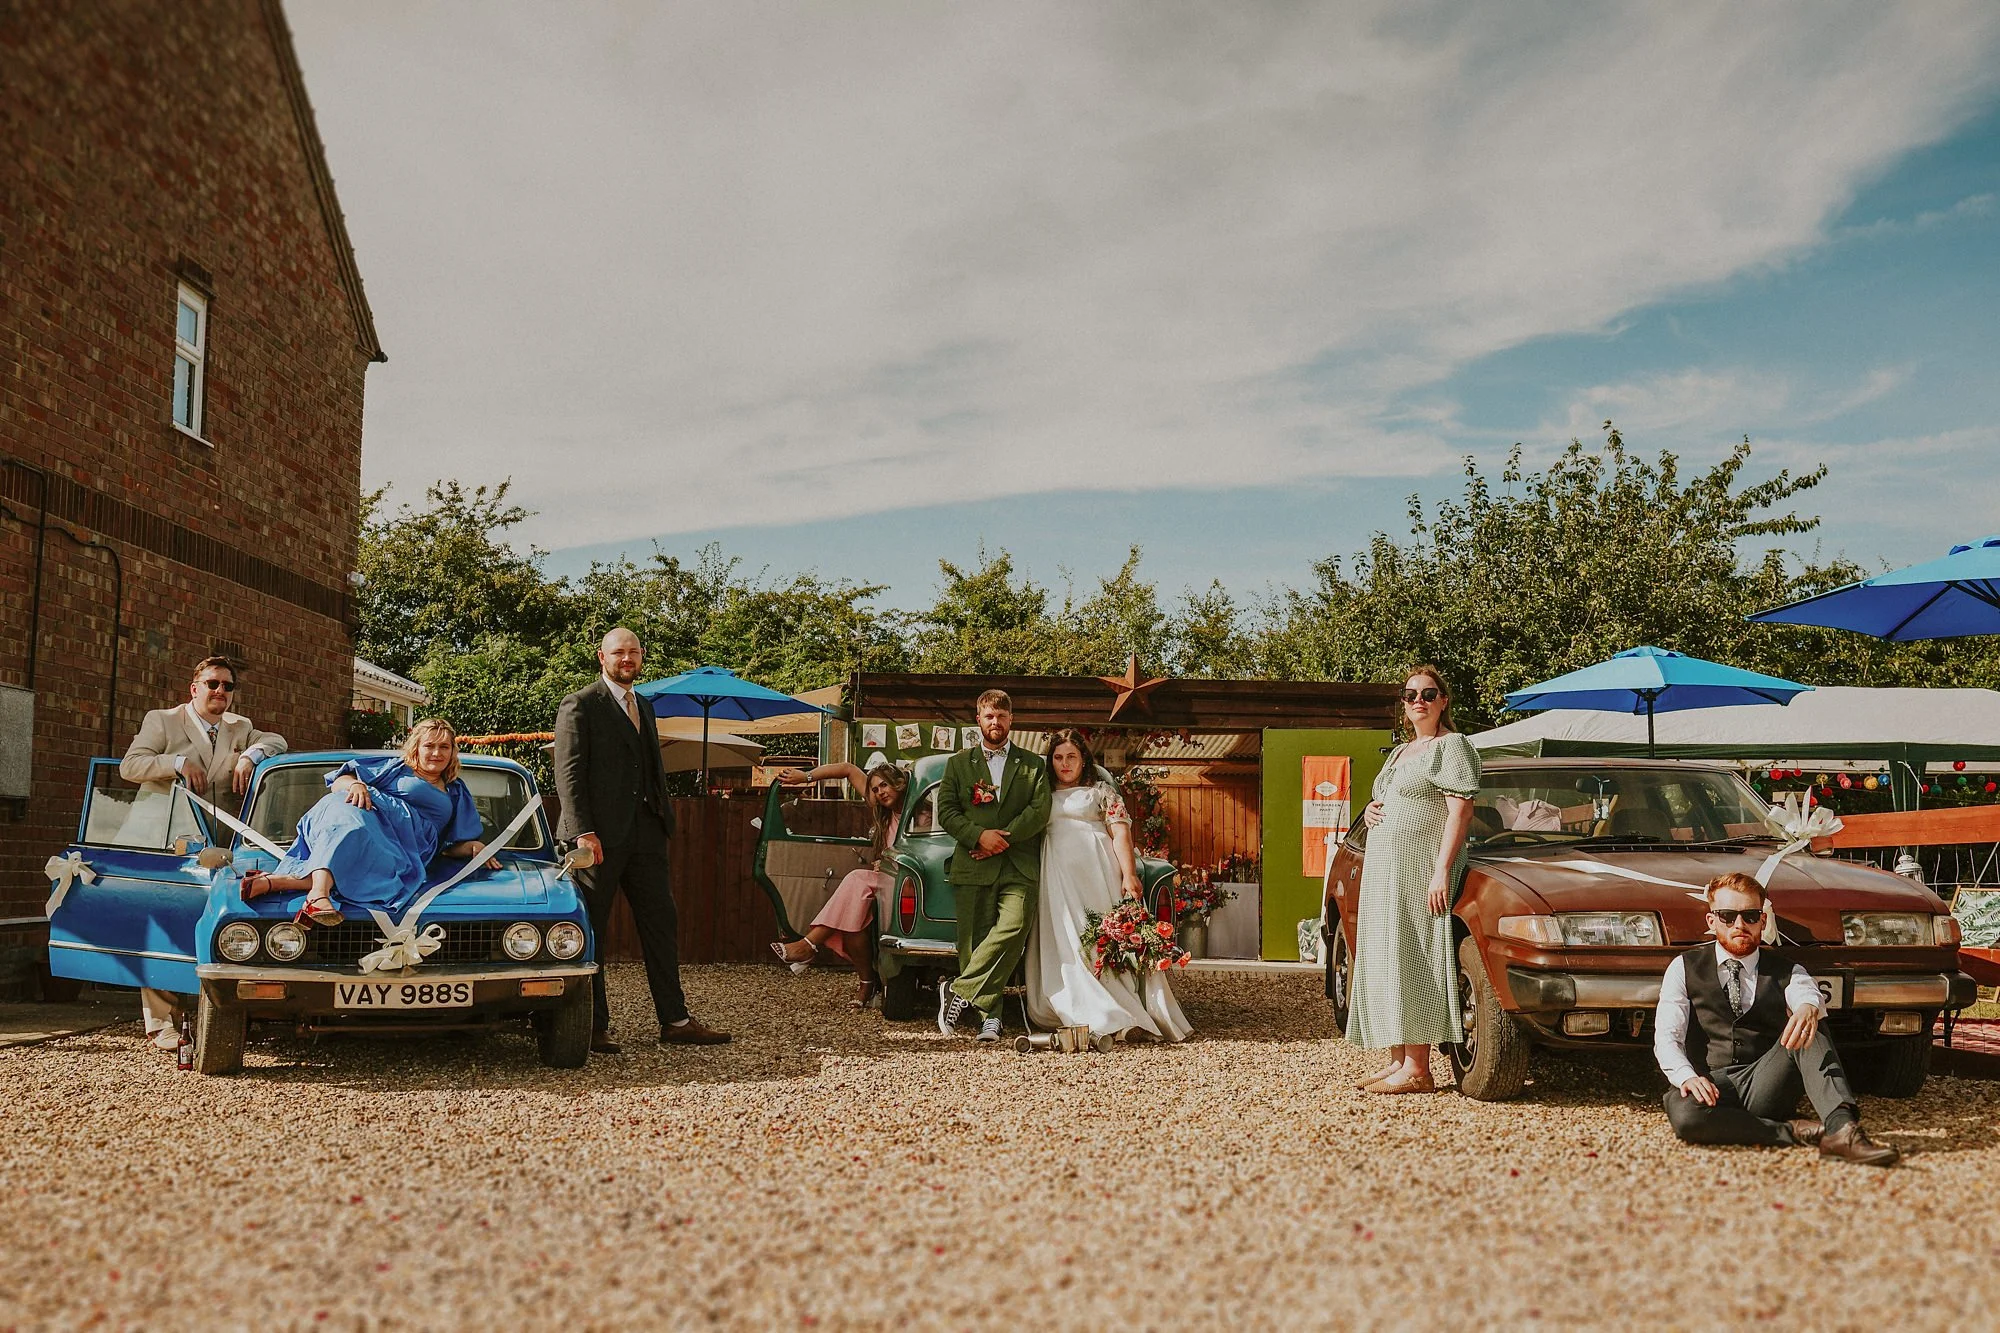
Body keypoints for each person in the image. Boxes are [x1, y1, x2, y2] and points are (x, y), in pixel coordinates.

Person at [553, 627, 730, 1053]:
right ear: (602, 657)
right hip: (595, 839)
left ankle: (675, 1020)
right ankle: (594, 1027)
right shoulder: (580, 704)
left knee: (661, 926)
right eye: (618, 652)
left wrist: (662, 819)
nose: (626, 658)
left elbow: (648, 768)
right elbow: (569, 772)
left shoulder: (644, 704)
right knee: (592, 932)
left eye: (633, 652)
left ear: (642, 656)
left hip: (646, 835)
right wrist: (583, 831)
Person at [1655, 872, 1899, 1166]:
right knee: (1685, 1116)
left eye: (1750, 916)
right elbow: (1667, 1036)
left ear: (1763, 920)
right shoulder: (1683, 967)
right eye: (1728, 916)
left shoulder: (1788, 969)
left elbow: (1807, 993)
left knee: (1809, 1022)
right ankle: (1794, 1131)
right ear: (1712, 921)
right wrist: (1687, 1077)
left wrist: (1809, 1007)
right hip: (1711, 1084)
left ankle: (1842, 1130)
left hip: (1767, 1083)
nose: (1739, 925)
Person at [119, 655, 287, 1052]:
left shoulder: (239, 727)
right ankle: (161, 1023)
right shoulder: (162, 720)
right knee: (165, 924)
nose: (220, 692)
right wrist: (175, 761)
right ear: (194, 688)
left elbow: (278, 741)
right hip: (166, 840)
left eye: (228, 687)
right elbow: (131, 765)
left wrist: (252, 755)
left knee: (210, 924)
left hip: (219, 848)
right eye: (212, 684)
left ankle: (212, 1015)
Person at [1347, 665, 1481, 1094]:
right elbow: (1387, 798)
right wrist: (1370, 812)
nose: (1417, 701)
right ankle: (1398, 1057)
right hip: (1386, 871)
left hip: (1420, 868)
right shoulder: (1403, 751)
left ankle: (1419, 1067)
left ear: (1443, 700)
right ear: (1403, 705)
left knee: (1415, 955)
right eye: (1409, 695)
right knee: (1388, 955)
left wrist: (1441, 870)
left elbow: (1460, 811)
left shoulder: (1452, 746)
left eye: (1427, 693)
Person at [241, 718, 495, 922]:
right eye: (429, 746)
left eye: (444, 747)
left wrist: (474, 847)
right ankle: (318, 895)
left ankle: (276, 882)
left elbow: (449, 845)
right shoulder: (394, 768)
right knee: (350, 822)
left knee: (354, 837)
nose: (436, 753)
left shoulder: (454, 789)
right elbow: (338, 781)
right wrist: (355, 785)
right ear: (416, 747)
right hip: (361, 816)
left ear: (452, 752)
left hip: (404, 847)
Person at [1026, 728, 1190, 1041]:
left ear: (1083, 759)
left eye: (1071, 756)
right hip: (1058, 877)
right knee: (1067, 938)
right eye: (1058, 757)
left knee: (1100, 936)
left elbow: (1121, 834)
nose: (1064, 763)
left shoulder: (1101, 791)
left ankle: (1121, 1005)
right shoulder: (1042, 792)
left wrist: (1129, 874)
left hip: (1098, 871)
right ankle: (1084, 1005)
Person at [934, 689, 1052, 1042]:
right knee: (973, 942)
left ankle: (959, 989)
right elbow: (948, 812)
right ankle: (991, 1018)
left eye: (1001, 717)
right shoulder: (958, 764)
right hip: (972, 862)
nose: (995, 723)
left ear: (1011, 720)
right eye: (989, 716)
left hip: (1019, 865)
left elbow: (1039, 810)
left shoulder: (1033, 764)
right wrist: (979, 836)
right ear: (978, 719)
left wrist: (1004, 838)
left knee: (1014, 930)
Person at [768, 758, 910, 1008]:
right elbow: (847, 769)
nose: (880, 793)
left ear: (899, 784)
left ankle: (810, 945)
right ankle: (866, 982)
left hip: (909, 880)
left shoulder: (919, 811)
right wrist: (806, 778)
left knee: (856, 878)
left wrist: (888, 859)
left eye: (885, 786)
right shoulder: (882, 811)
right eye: (875, 789)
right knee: (853, 919)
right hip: (886, 879)